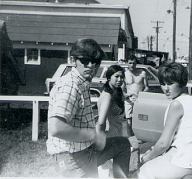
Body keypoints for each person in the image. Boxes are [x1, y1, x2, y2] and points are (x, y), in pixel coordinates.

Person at [46, 38, 131, 178]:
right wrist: (93, 135)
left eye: (95, 62)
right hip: (71, 159)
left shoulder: (82, 83)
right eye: (85, 61)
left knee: (122, 144)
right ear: (73, 60)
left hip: (85, 150)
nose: (91, 66)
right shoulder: (70, 85)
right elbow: (56, 128)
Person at [134, 62, 192, 179]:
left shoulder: (177, 104)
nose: (165, 88)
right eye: (162, 84)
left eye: (170, 84)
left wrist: (147, 157)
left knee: (141, 173)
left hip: (184, 164)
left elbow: (164, 143)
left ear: (181, 83)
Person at [96, 65, 126, 177]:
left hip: (116, 134)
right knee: (105, 171)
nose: (120, 79)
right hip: (108, 137)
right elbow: (101, 122)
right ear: (109, 77)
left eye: (122, 77)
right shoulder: (107, 96)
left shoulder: (116, 92)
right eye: (116, 76)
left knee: (114, 171)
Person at [123, 55, 149, 136]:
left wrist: (141, 95)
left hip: (139, 100)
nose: (132, 65)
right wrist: (125, 95)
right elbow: (122, 88)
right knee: (128, 120)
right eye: (130, 63)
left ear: (136, 63)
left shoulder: (142, 73)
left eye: (134, 63)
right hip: (128, 100)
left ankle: (140, 137)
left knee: (140, 118)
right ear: (127, 63)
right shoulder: (124, 74)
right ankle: (130, 138)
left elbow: (147, 87)